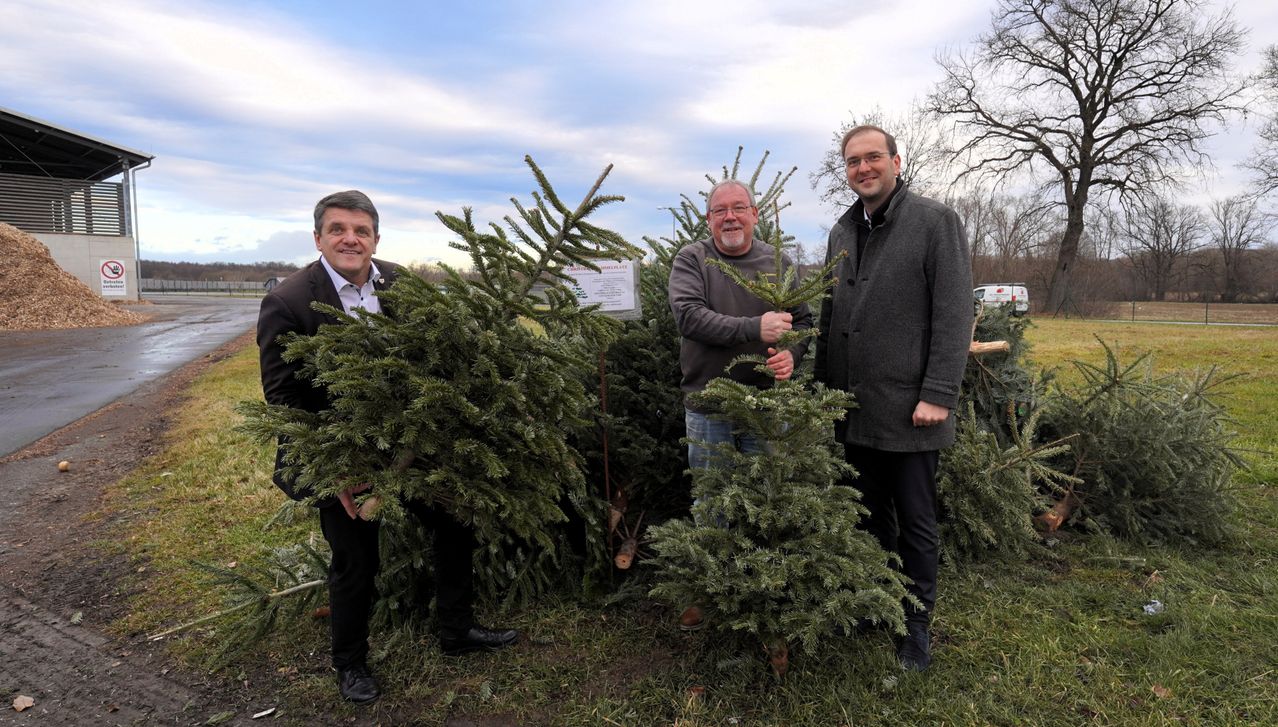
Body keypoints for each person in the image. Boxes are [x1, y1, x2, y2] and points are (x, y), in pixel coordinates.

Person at [256, 190, 517, 705]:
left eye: (361, 230)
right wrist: (337, 471)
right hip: (338, 455)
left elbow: (431, 355)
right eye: (338, 230)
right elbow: (285, 402)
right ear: (318, 238)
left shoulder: (398, 283)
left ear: (376, 238)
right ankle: (350, 663)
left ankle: (456, 629)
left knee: (455, 520)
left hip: (408, 445)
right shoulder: (287, 302)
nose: (350, 239)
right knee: (356, 558)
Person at [813, 125, 973, 672]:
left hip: (912, 410)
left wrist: (939, 393)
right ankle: (878, 603)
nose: (863, 168)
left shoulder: (934, 222)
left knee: (916, 521)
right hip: (852, 408)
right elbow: (831, 317)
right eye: (853, 161)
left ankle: (916, 626)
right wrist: (820, 395)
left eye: (873, 157)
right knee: (869, 515)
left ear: (896, 161)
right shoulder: (841, 232)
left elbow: (955, 313)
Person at [667, 179, 813, 630]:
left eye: (738, 208)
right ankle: (710, 592)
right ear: (708, 219)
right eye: (719, 211)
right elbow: (688, 316)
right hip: (708, 405)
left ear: (754, 213)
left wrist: (794, 353)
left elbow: (803, 322)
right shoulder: (693, 259)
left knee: (766, 499)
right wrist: (755, 327)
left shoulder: (778, 261)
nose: (729, 217)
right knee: (713, 503)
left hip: (766, 409)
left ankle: (767, 591)